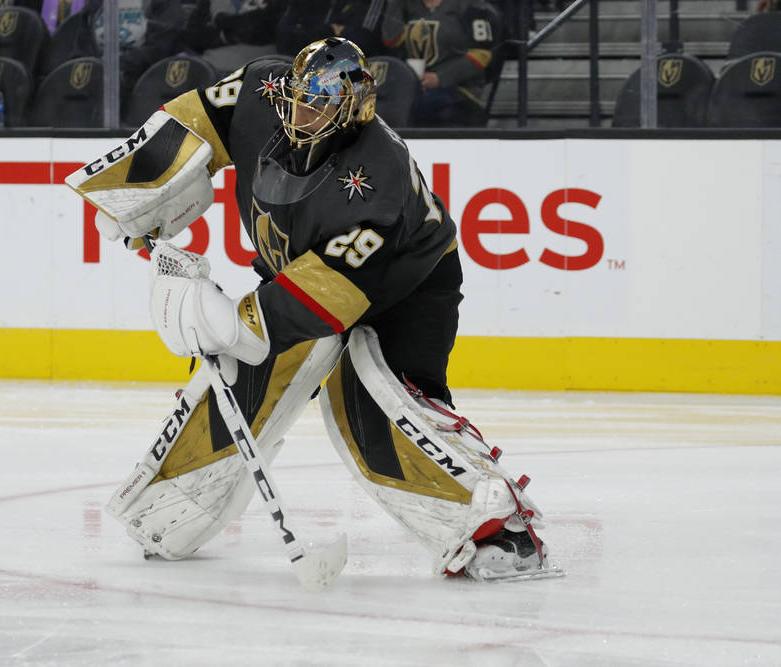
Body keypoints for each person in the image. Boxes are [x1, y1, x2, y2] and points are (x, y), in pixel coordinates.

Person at [67, 37, 557, 582]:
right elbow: (191, 121)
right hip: (301, 268)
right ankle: (172, 508)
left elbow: (325, 298)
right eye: (300, 96)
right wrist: (129, 188)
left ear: (352, 109)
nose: (302, 111)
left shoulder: (378, 181)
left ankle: (500, 530)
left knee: (369, 401)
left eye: (320, 102)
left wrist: (231, 321)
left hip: (405, 291)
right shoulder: (262, 88)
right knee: (238, 374)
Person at [381, 0, 501, 126]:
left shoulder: (473, 6)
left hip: (462, 91)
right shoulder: (408, 6)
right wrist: (394, 3)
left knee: (416, 107)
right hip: (418, 89)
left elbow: (483, 55)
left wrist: (440, 78)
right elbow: (391, 40)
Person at [65, 0, 182, 100]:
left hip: (145, 87)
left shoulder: (164, 3)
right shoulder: (96, 4)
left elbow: (159, 50)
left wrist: (117, 64)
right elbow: (81, 53)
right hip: (97, 88)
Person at [180, 0, 285, 75]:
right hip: (211, 71)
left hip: (260, 73)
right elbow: (192, 37)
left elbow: (265, 31)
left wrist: (221, 23)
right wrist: (228, 35)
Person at [277, 0, 387, 57]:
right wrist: (329, 31)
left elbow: (361, 44)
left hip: (350, 76)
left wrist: (324, 34)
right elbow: (284, 40)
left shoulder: (372, 3)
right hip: (305, 65)